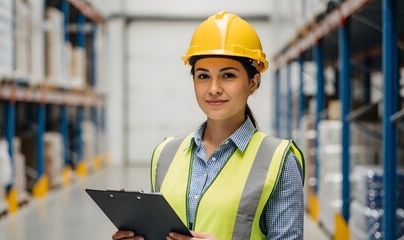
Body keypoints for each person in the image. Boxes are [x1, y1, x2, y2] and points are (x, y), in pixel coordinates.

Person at [112, 11, 305, 240]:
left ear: (253, 83)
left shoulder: (279, 162)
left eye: (228, 75)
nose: (213, 88)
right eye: (203, 76)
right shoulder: (165, 155)